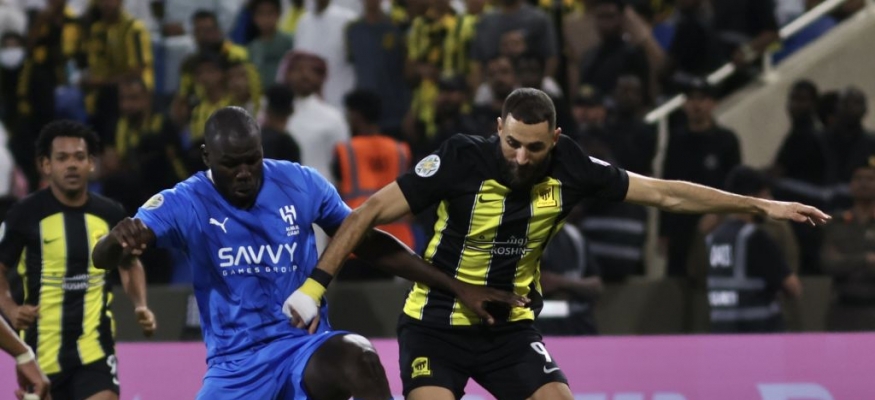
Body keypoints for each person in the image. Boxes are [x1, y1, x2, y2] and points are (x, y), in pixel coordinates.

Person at [292, 88, 829, 400]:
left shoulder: (574, 166)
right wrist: (316, 287)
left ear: (555, 138)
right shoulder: (459, 160)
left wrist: (763, 206)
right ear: (497, 127)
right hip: (435, 327)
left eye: (534, 147)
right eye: (512, 143)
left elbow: (665, 195)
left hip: (510, 328)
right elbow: (366, 214)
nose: (522, 158)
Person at [91, 107, 524, 400]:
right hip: (235, 366)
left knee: (361, 358)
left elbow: (365, 241)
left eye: (252, 160)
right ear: (207, 157)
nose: (244, 173)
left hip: (304, 348)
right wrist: (117, 239)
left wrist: (456, 287)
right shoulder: (184, 201)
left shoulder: (299, 182)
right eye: (230, 164)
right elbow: (103, 257)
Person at [0, 121, 156, 400]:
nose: (71, 165)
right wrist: (10, 308)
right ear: (45, 165)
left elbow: (129, 264)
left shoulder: (110, 213)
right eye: (62, 158)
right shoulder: (25, 214)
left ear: (91, 163)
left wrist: (141, 305)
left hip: (95, 349)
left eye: (79, 157)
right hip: (41, 353)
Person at [705, 166, 803, 333]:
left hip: (722, 330)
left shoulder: (714, 237)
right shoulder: (755, 237)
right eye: (765, 196)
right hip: (758, 333)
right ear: (752, 198)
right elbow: (793, 287)